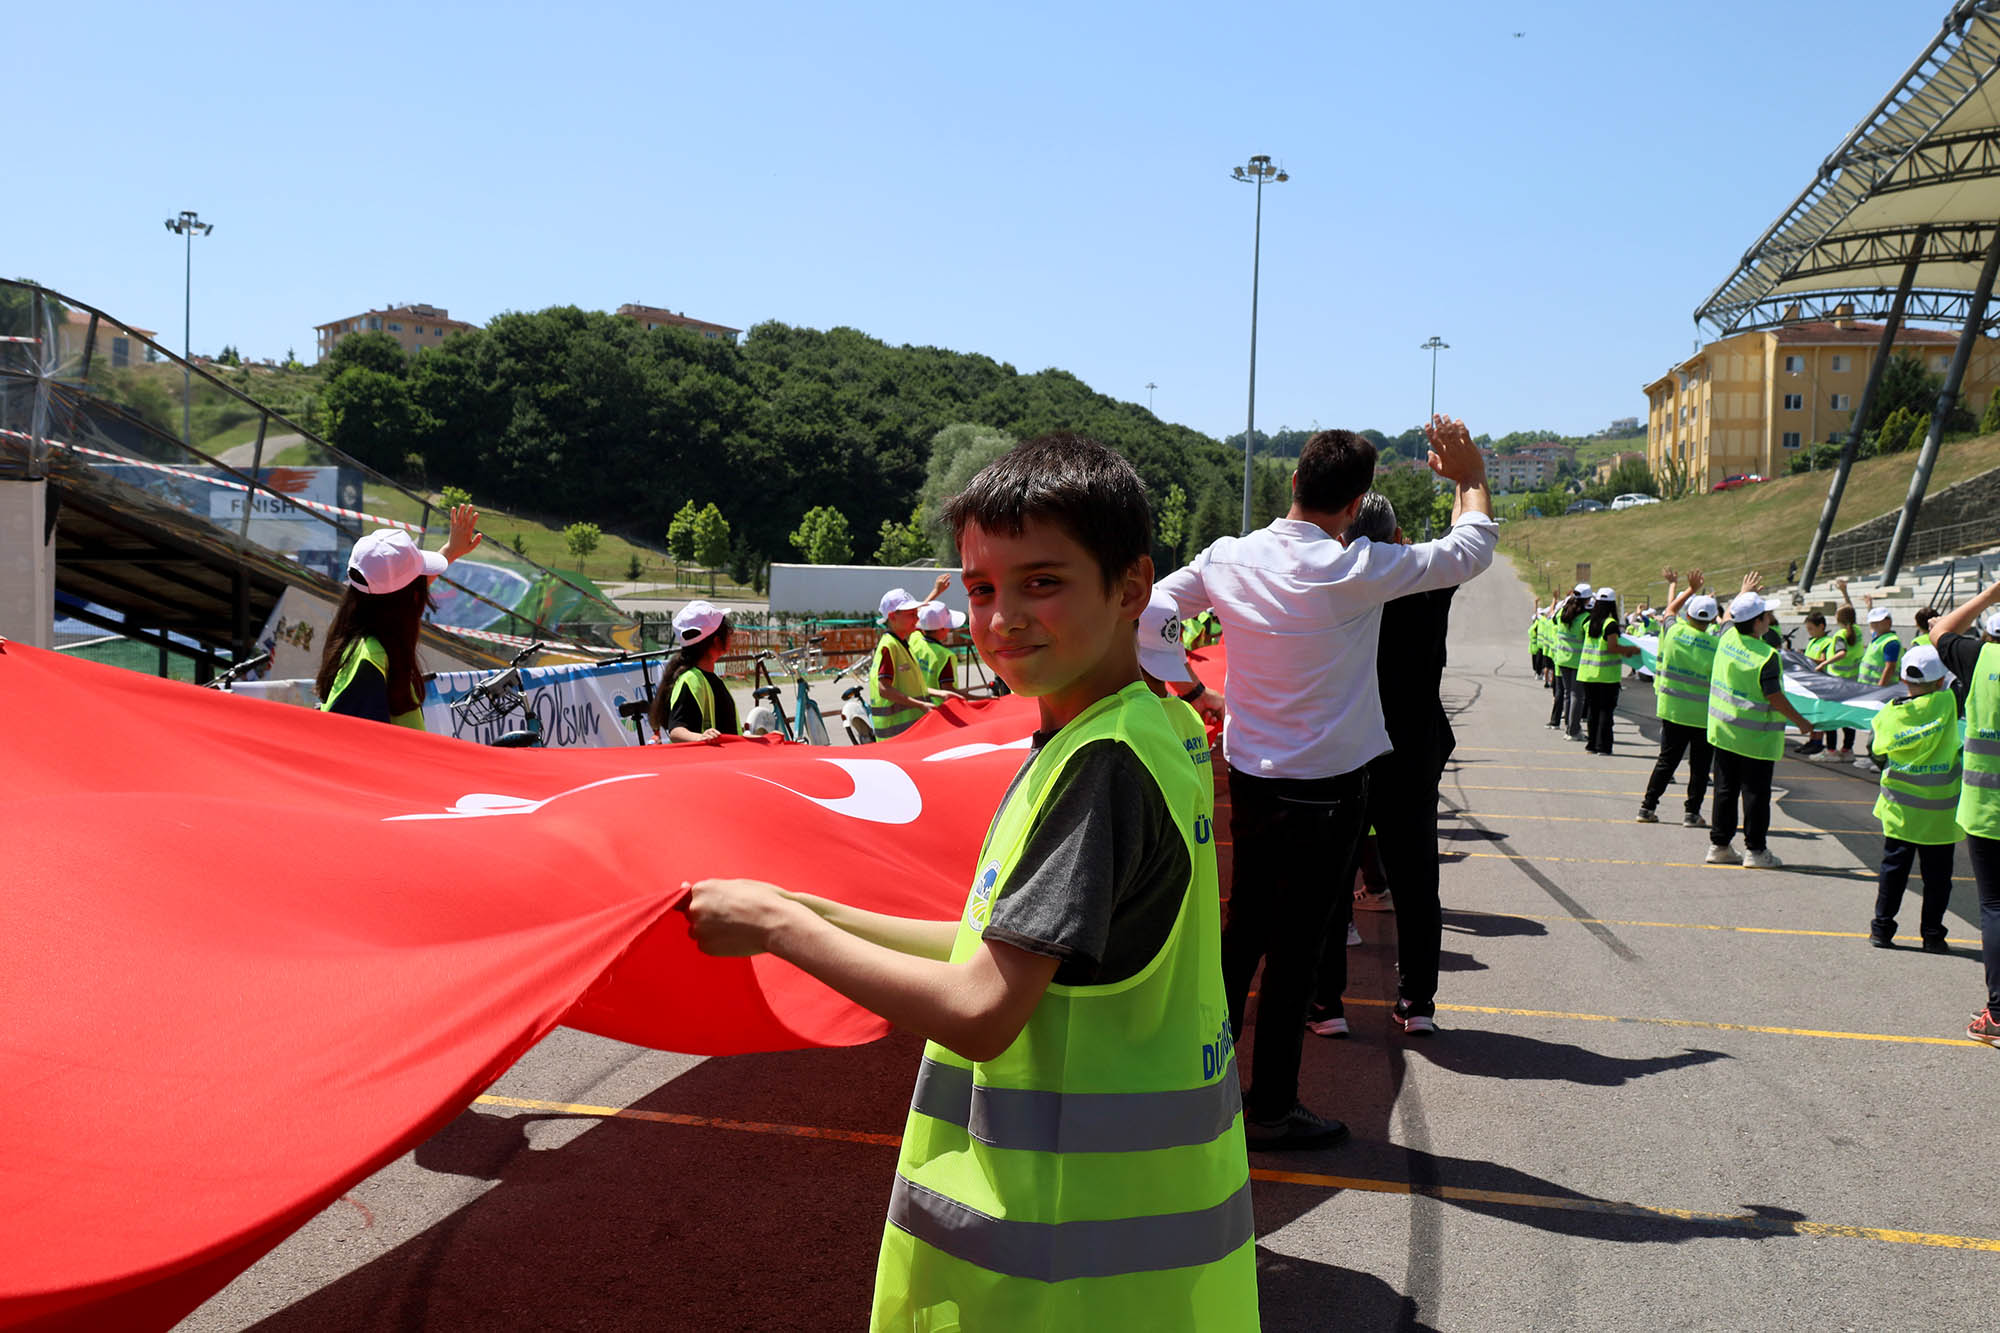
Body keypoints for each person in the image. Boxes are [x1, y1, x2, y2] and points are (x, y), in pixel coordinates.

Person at [678, 433, 1258, 1328]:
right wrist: (813, 906)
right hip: (1128, 1265)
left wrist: (777, 929)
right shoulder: (1151, 727)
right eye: (983, 589)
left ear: (1133, 587)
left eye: (1043, 581)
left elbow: (983, 1010)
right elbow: (987, 947)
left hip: (1058, 1268)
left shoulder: (1099, 767)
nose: (1002, 618)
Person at [1158, 418, 1495, 1145]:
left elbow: (1151, 610)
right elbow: (1469, 549)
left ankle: (1190, 1076)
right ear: (1357, 503)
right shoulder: (1355, 568)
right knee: (1294, 954)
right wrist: (1469, 478)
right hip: (1328, 795)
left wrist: (1185, 689)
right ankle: (1271, 1106)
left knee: (1243, 926)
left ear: (1293, 482)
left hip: (1250, 779)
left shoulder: (1228, 556)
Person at [1304, 490, 1460, 1040]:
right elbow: (1464, 539)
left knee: (1330, 883)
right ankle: (1417, 1002)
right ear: (1399, 539)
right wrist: (1466, 480)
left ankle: (1327, 1005)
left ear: (1344, 540)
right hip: (1412, 755)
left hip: (1348, 752)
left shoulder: (1333, 588)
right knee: (1417, 882)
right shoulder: (1427, 586)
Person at [316, 506, 482, 728]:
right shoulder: (369, 661)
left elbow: (394, 590)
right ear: (410, 599)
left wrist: (449, 552)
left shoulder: (361, 625)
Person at [1920, 587, 2000, 1045]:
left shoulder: (1980, 659)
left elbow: (1942, 630)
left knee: (1994, 906)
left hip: (1988, 809)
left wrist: (1992, 592)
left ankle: (1998, 1012)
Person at [1705, 590, 1812, 869]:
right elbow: (1774, 696)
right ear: (1758, 622)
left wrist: (1742, 592)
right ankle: (1755, 850)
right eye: (1767, 615)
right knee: (1755, 794)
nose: (1771, 618)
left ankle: (1719, 845)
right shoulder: (1767, 655)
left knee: (1725, 790)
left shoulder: (1727, 637)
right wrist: (1801, 722)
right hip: (1755, 738)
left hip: (1724, 731)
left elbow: (1728, 617)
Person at [1866, 645, 1961, 953]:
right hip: (1940, 816)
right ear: (1940, 681)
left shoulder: (1888, 715)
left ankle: (1882, 929)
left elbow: (1876, 752)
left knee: (1893, 873)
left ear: (1904, 679)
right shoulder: (1948, 703)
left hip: (1899, 813)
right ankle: (1932, 934)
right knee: (1937, 880)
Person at [1638, 573, 1720, 826]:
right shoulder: (1715, 645)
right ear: (1712, 621)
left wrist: (1689, 589)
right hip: (1703, 716)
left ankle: (1647, 807)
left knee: (1666, 762)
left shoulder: (1674, 632)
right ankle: (1691, 813)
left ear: (1688, 616)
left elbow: (1669, 610)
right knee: (1699, 767)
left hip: (1673, 710)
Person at [870, 576, 950, 740]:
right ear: (892, 617)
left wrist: (940, 694)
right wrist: (920, 705)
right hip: (896, 737)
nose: (917, 618)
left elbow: (910, 688)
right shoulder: (890, 646)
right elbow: (884, 689)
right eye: (912, 613)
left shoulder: (901, 642)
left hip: (906, 733)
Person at [649, 600, 738, 744]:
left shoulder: (709, 678)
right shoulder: (691, 680)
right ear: (716, 640)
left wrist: (765, 739)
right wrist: (701, 738)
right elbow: (676, 731)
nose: (731, 634)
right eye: (727, 630)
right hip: (707, 763)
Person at [1577, 587, 1640, 755]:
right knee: (1606, 712)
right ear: (1612, 605)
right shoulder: (1609, 624)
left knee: (1593, 711)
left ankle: (1592, 744)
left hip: (1588, 674)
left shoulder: (1589, 622)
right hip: (1606, 677)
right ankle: (1603, 745)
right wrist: (1630, 650)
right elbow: (1612, 647)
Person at [1550, 582, 1591, 736]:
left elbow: (1553, 618)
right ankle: (1573, 730)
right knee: (1577, 696)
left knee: (1568, 694)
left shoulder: (1562, 614)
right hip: (1577, 661)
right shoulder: (1585, 618)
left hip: (1562, 659)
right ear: (1587, 600)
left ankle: (1569, 726)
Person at [1798, 611, 1840, 759]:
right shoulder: (1813, 641)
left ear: (1821, 626)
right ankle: (1813, 739)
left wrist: (1804, 658)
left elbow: (1822, 660)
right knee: (1813, 713)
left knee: (1822, 715)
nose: (1809, 632)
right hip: (1812, 682)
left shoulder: (1827, 642)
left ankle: (1820, 742)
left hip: (1823, 683)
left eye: (1811, 628)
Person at [909, 600, 968, 699]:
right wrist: (981, 699)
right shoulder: (944, 656)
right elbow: (949, 691)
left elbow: (923, 618)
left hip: (917, 709)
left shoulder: (914, 639)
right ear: (943, 629)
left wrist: (935, 592)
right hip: (939, 710)